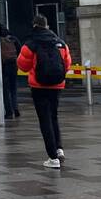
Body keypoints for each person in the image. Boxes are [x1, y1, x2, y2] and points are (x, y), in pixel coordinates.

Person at [16, 14, 72, 169]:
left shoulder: (31, 44)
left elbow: (22, 65)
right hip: (57, 85)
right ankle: (59, 148)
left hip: (39, 86)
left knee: (45, 120)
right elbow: (67, 64)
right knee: (54, 117)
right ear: (47, 25)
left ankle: (52, 157)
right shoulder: (60, 43)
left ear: (34, 25)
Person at [0, 32, 21, 119]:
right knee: (13, 89)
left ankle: (9, 112)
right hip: (13, 65)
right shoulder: (14, 39)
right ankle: (15, 108)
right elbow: (20, 49)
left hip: (5, 67)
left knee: (6, 91)